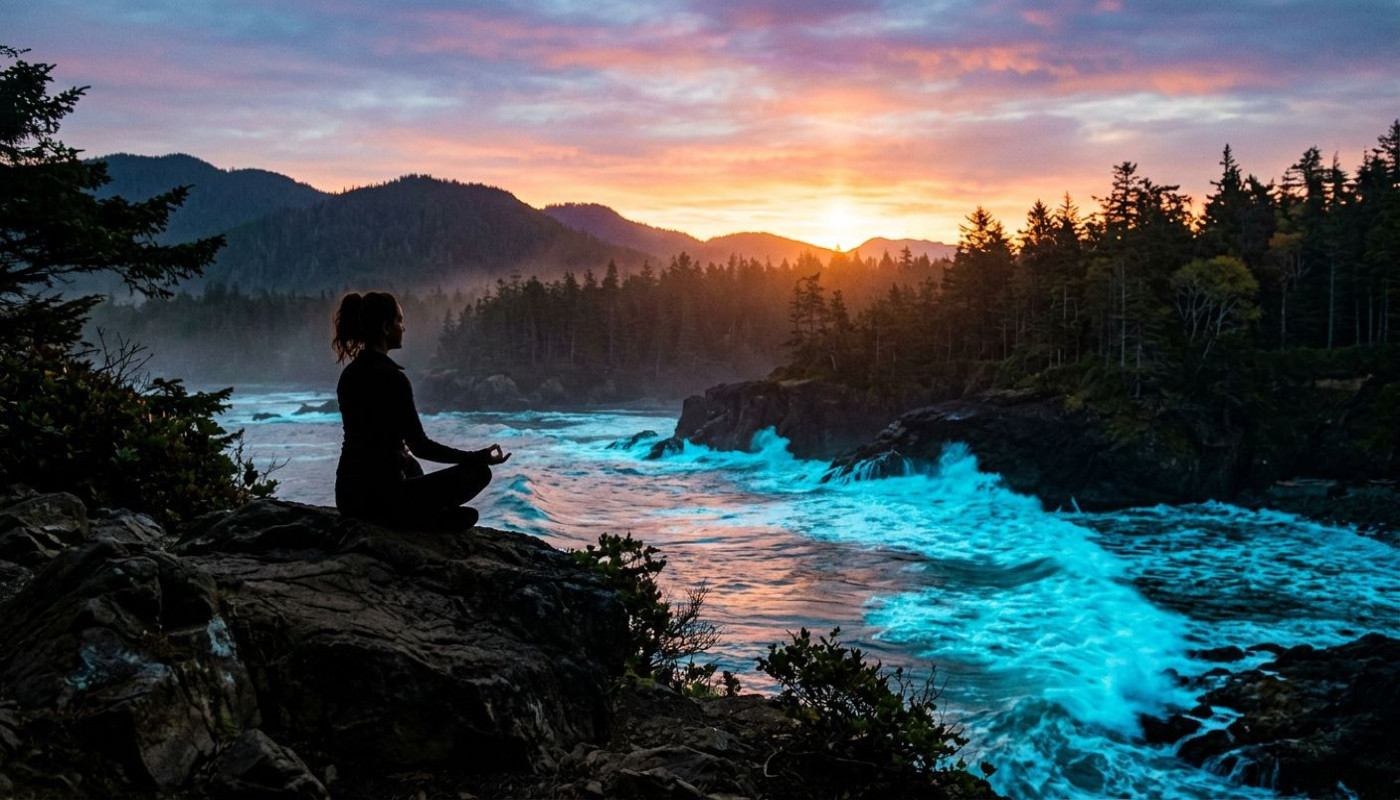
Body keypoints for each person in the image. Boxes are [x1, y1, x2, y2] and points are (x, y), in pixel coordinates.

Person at [331, 291, 509, 529]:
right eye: (399, 321)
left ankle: (425, 514)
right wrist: (477, 457)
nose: (403, 328)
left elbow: (368, 436)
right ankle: (419, 517)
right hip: (383, 499)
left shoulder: (349, 375)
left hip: (349, 497)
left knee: (409, 463)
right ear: (385, 327)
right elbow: (421, 446)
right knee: (479, 473)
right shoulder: (392, 378)